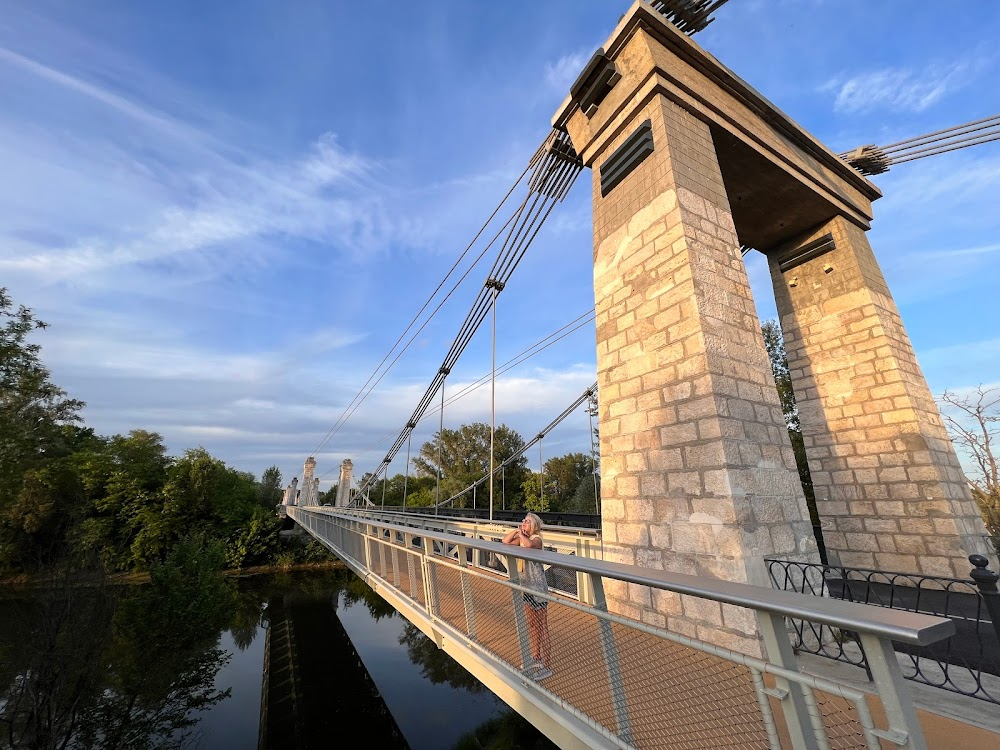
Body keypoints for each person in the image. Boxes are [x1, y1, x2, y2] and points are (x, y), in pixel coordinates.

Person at [502, 513, 553, 679]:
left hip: (538, 588)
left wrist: (523, 535)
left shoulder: (536, 538)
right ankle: (536, 656)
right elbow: (506, 542)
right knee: (532, 624)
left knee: (542, 626)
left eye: (527, 521)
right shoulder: (523, 538)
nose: (523, 522)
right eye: (523, 520)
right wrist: (516, 531)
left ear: (534, 526)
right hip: (527, 587)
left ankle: (547, 665)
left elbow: (530, 545)